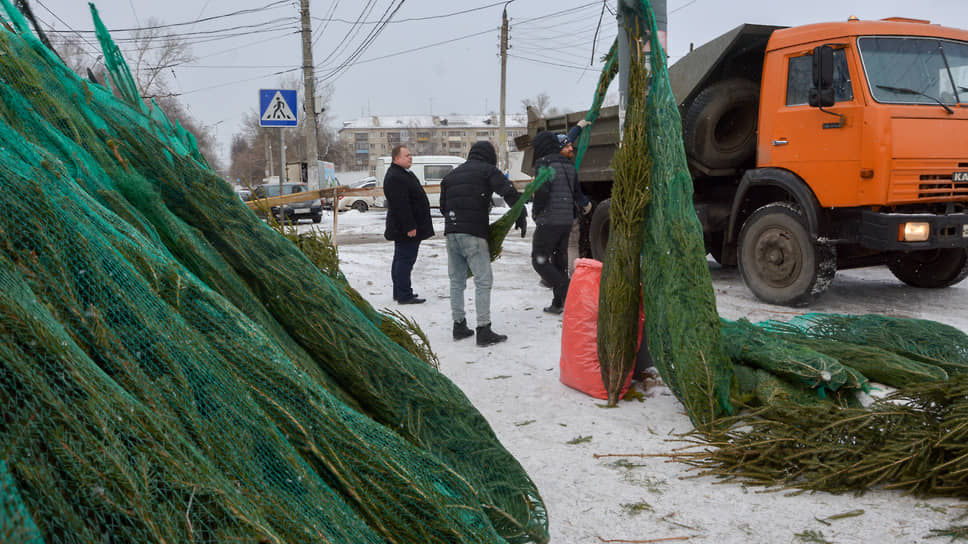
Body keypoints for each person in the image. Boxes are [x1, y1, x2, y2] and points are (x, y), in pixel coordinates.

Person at [440, 141, 527, 347]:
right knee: (483, 280)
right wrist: (520, 214)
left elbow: (444, 207)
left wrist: (458, 218)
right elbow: (509, 191)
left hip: (451, 233)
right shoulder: (488, 170)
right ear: (489, 156)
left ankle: (459, 326)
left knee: (456, 281)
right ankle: (483, 329)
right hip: (474, 234)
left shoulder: (451, 176)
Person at [530, 130, 586, 315]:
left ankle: (566, 289)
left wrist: (536, 211)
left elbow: (542, 191)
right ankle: (558, 303)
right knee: (558, 260)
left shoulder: (544, 163)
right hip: (566, 221)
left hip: (549, 220)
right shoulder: (569, 165)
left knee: (539, 260)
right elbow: (577, 193)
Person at [383, 144, 434, 304]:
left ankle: (400, 292)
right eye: (407, 155)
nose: (410, 157)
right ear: (396, 158)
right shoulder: (395, 177)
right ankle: (404, 294)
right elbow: (401, 205)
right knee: (405, 260)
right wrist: (409, 227)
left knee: (401, 259)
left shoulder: (402, 173)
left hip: (406, 227)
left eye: (411, 155)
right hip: (406, 228)